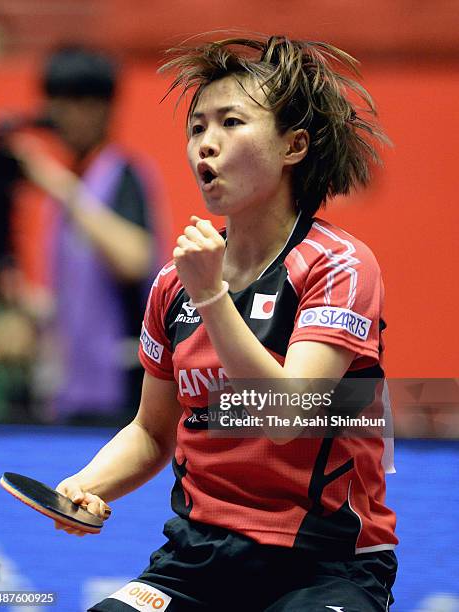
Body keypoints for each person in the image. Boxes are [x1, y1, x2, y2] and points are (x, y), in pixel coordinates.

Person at [55, 36, 398, 611]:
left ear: (294, 146)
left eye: (230, 122)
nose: (205, 145)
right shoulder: (173, 284)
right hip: (198, 560)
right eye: (195, 129)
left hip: (324, 565)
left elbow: (290, 416)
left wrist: (212, 296)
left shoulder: (338, 265)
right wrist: (85, 486)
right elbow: (152, 431)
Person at [10, 46, 168, 425]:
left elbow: (135, 259)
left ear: (103, 108)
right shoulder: (71, 192)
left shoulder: (124, 175)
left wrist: (62, 188)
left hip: (123, 389)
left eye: (74, 102)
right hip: (69, 391)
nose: (60, 116)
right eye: (55, 102)